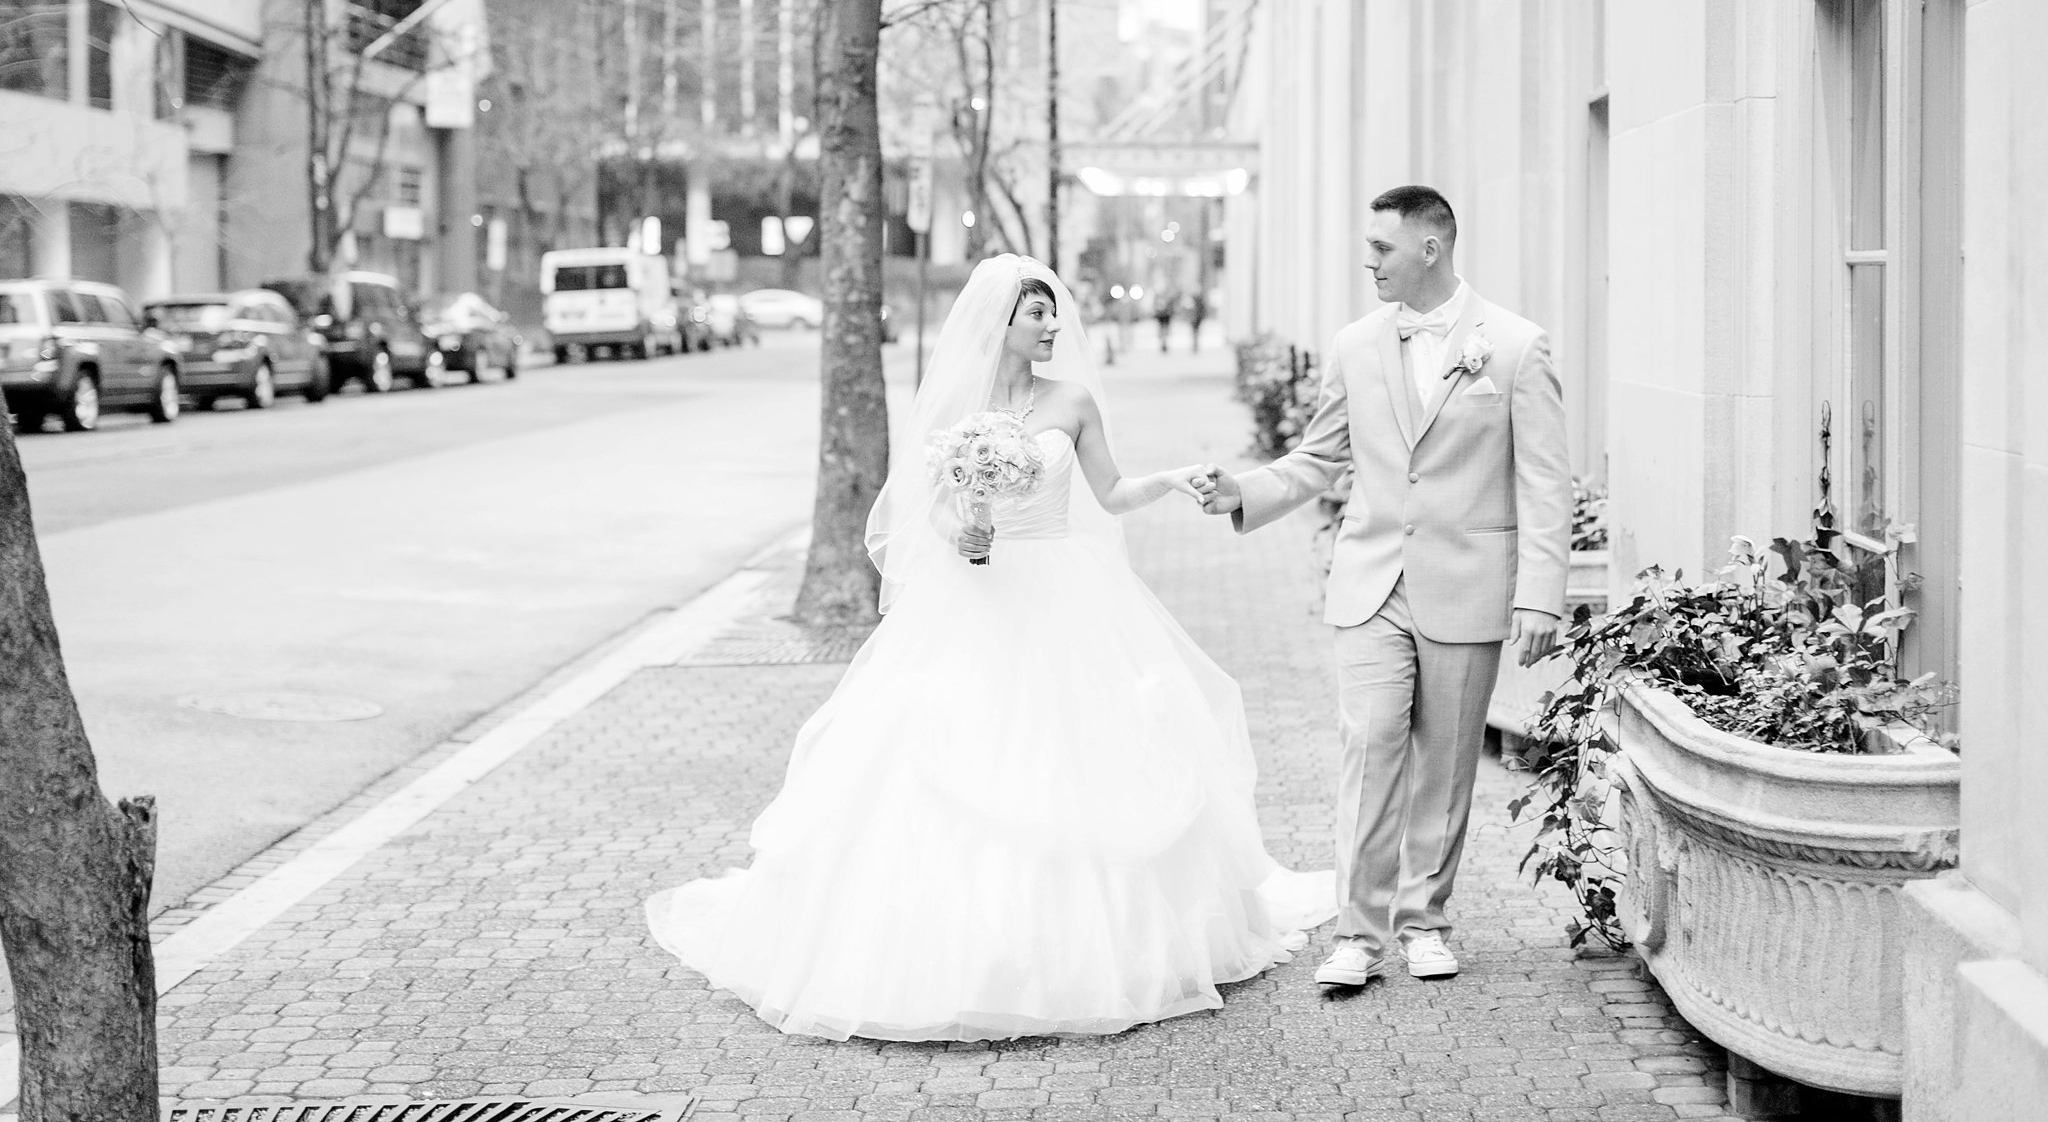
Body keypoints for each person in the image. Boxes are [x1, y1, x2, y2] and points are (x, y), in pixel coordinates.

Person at [647, 254, 1334, 1042]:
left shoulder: (1072, 401)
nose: (1051, 325)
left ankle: (1091, 954)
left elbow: (1110, 493)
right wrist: (962, 533)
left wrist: (1173, 479)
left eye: (1051, 312)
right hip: (977, 595)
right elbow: (931, 510)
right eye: (1036, 313)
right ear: (999, 324)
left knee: (1075, 757)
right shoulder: (959, 409)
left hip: (1065, 593)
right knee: (943, 759)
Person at [1193, 184, 1570, 987]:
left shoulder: (1514, 346)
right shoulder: (1356, 345)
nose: (1368, 260)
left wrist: (1540, 591)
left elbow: (1545, 481)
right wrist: (1245, 492)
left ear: (1430, 248)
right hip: (1371, 581)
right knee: (1369, 745)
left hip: (1468, 584)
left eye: (1382, 248)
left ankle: (1424, 920)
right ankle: (1358, 934)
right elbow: (1321, 456)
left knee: (1448, 762)